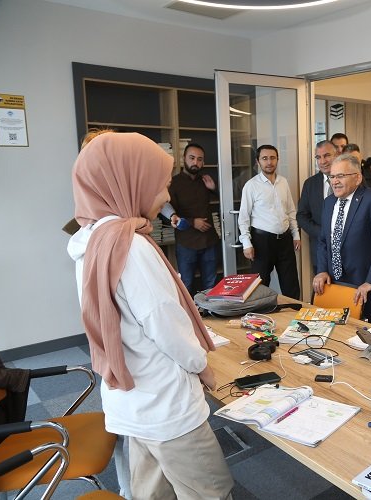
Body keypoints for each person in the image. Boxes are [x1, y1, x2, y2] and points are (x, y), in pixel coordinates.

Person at [67, 133, 234, 499]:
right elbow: (165, 325)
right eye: (160, 183)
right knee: (210, 491)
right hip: (165, 404)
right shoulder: (132, 247)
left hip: (134, 400)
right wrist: (201, 365)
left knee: (151, 492)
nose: (166, 194)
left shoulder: (93, 239)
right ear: (131, 182)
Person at [313, 154, 371, 325]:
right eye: (332, 177)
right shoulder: (329, 202)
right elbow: (323, 241)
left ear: (357, 178)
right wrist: (321, 270)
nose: (335, 181)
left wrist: (370, 282)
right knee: (337, 330)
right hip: (334, 283)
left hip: (365, 286)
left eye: (340, 176)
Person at [238, 144, 301, 299]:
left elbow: (291, 211)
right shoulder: (251, 186)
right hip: (262, 243)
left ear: (277, 160)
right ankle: (260, 314)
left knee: (291, 285)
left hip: (285, 240)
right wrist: (246, 243)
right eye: (264, 158)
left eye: (272, 158)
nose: (269, 162)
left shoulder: (283, 182)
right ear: (258, 161)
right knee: (259, 288)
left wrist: (295, 234)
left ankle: (294, 312)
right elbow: (243, 217)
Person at [160, 143, 220, 294]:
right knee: (186, 285)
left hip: (209, 241)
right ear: (184, 158)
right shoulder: (174, 183)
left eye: (200, 159)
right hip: (186, 242)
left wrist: (214, 189)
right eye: (192, 158)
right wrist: (192, 222)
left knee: (211, 285)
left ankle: (208, 310)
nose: (195, 162)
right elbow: (168, 213)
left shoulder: (206, 181)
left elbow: (226, 202)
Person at [297, 140, 338, 274]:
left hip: (348, 251)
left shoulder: (350, 180)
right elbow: (302, 216)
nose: (322, 161)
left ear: (337, 155)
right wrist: (321, 233)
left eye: (327, 155)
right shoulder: (310, 184)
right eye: (318, 157)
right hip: (320, 251)